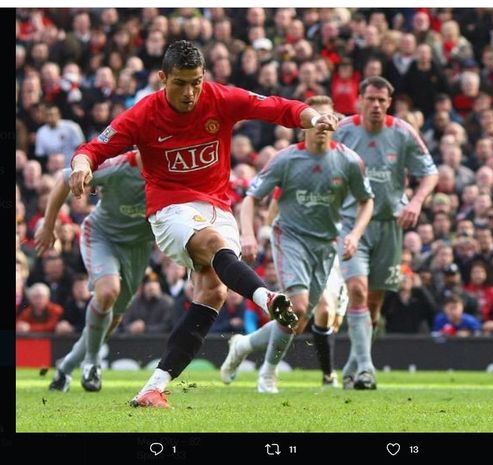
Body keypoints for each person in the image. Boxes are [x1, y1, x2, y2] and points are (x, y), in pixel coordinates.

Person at [68, 41, 338, 408]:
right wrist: (82, 167)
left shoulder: (220, 98)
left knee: (213, 291)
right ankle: (267, 297)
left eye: (196, 81)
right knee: (213, 245)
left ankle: (153, 387)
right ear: (162, 78)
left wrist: (312, 117)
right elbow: (93, 148)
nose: (190, 92)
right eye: (180, 83)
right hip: (170, 209)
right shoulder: (143, 114)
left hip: (217, 206)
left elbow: (277, 107)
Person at [220, 96, 373, 393]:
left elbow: (367, 202)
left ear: (336, 126)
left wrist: (354, 234)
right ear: (305, 126)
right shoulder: (287, 159)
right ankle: (268, 373)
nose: (322, 127)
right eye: (316, 121)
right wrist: (248, 234)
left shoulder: (349, 161)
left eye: (328, 121)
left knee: (297, 318)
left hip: (326, 244)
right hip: (289, 237)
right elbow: (251, 198)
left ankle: (243, 345)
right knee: (298, 306)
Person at [333, 76, 438, 390]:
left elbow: (430, 172)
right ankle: (367, 369)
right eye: (370, 99)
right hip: (351, 224)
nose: (376, 105)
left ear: (389, 103)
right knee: (357, 291)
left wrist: (417, 201)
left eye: (381, 100)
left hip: (389, 225)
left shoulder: (403, 132)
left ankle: (354, 365)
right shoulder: (344, 131)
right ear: (360, 100)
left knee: (374, 304)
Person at [35, 150, 152, 393]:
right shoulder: (116, 167)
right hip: (102, 236)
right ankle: (92, 362)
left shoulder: (175, 171)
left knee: (111, 319)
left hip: (138, 248)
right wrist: (48, 226)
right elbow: (65, 178)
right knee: (108, 292)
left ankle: (65, 369)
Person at [264, 187, 350, 386]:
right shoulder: (293, 168)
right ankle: (328, 375)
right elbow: (274, 206)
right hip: (300, 249)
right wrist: (268, 233)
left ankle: (245, 345)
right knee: (320, 309)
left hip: (333, 250)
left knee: (312, 323)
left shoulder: (342, 167)